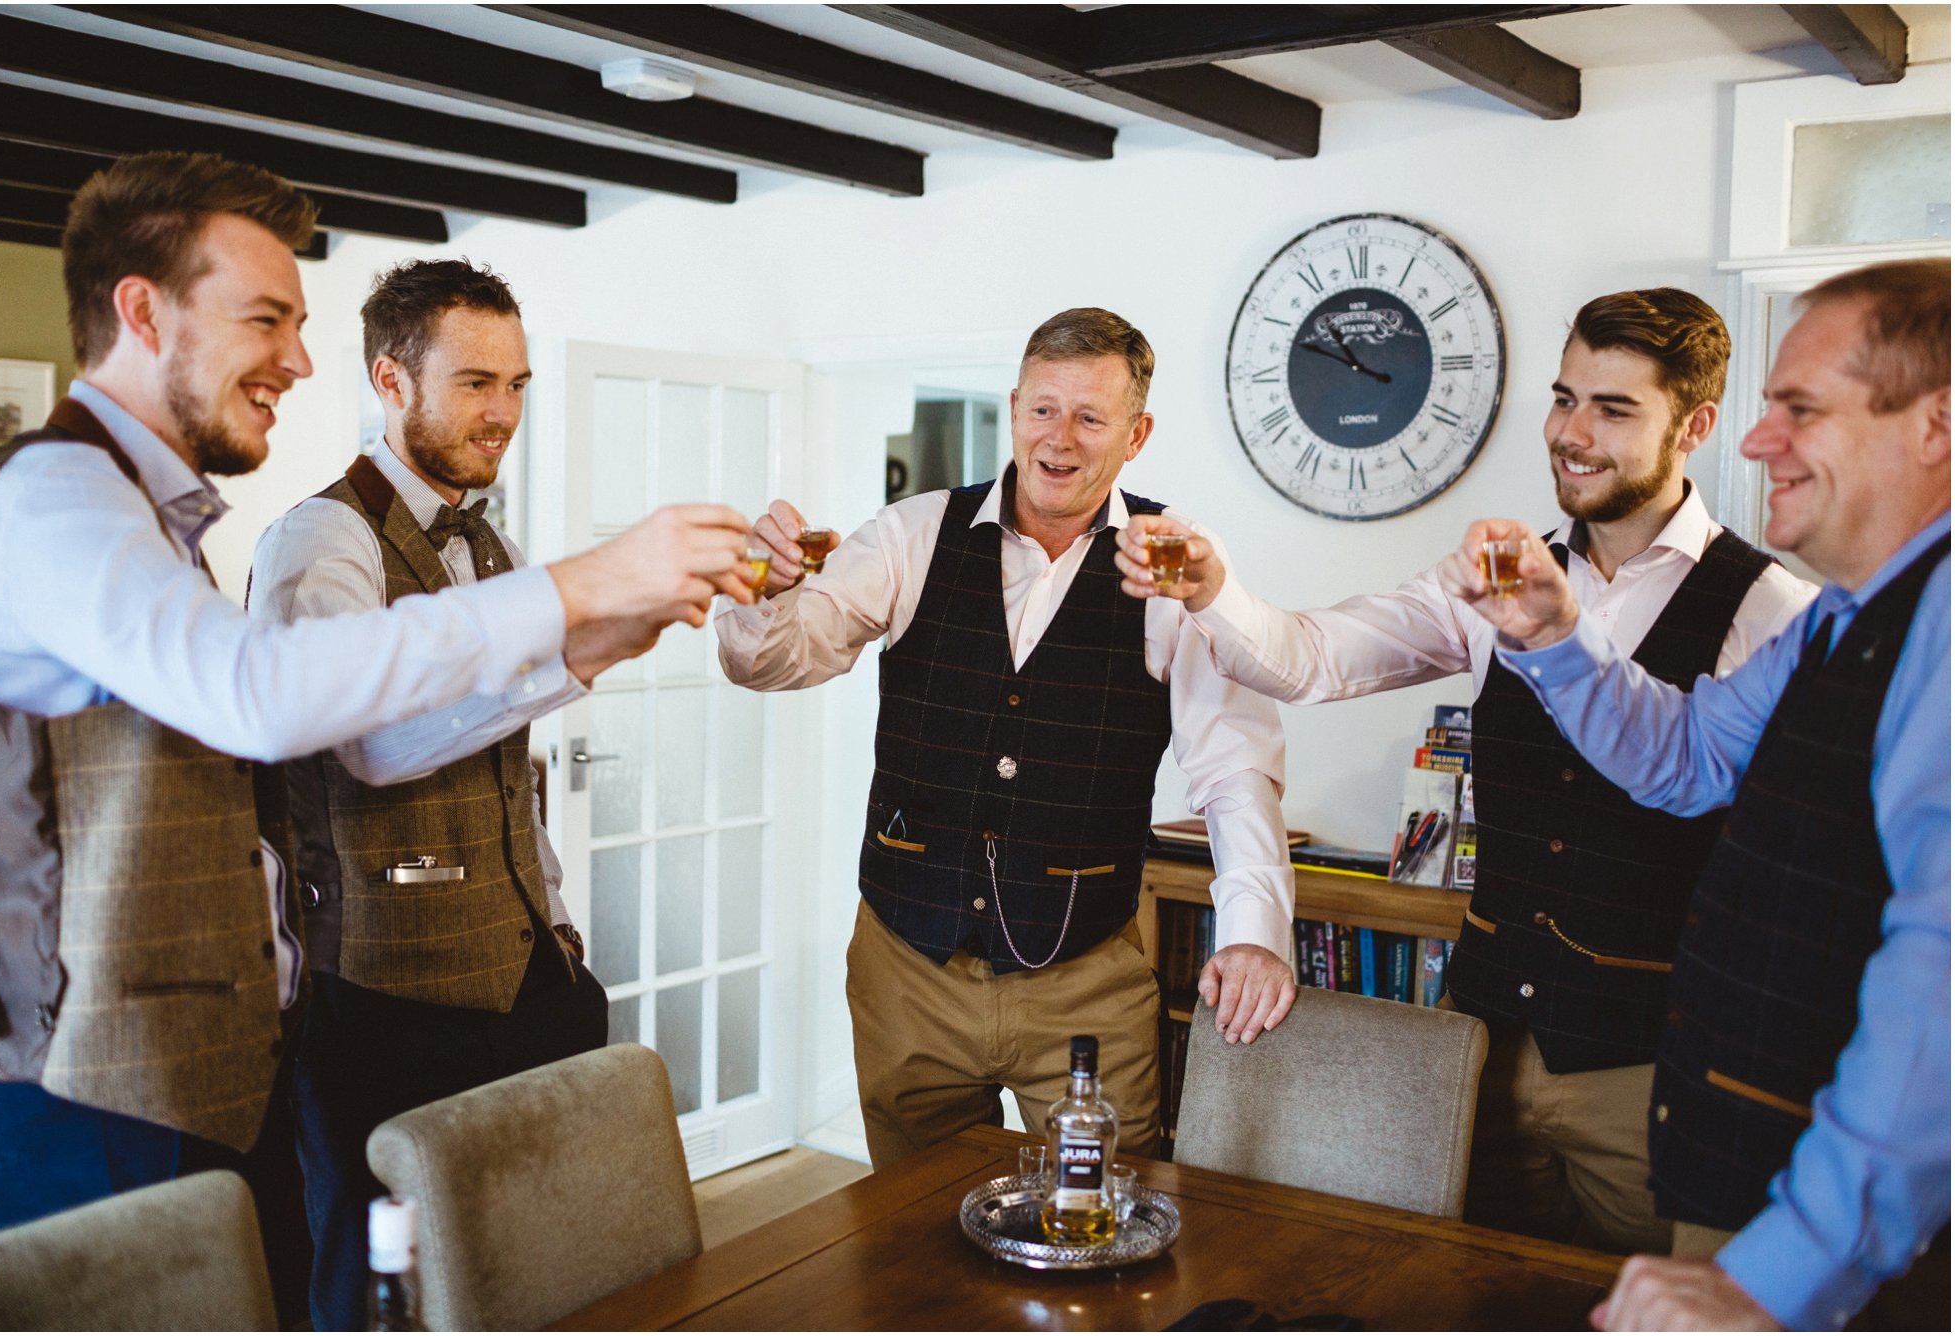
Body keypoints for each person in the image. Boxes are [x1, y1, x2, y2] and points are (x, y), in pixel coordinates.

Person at [0, 152, 753, 1308]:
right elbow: (268, 695)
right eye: (266, 317)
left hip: (206, 1070)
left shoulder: (142, 515)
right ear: (142, 309)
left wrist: (587, 636)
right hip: (84, 1094)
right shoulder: (56, 495)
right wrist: (580, 585)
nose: (294, 357)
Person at [1115, 289, 1816, 1254]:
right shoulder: (1487, 580)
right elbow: (1310, 658)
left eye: (1614, 410)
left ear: (1695, 425)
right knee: (1463, 1298)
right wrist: (1214, 590)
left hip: (1652, 1074)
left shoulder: (1772, 611)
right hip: (1477, 1048)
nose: (1572, 434)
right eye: (1565, 398)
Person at [1437, 258, 1949, 1330]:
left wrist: (1782, 1269)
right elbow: (1684, 757)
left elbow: (1937, 976)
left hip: (1819, 1220)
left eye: (1798, 410)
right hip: (1720, 1137)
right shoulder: (1842, 618)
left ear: (1935, 426)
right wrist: (1549, 632)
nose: (1758, 443)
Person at [716, 308, 1299, 1167]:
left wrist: (1254, 925)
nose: (1059, 439)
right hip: (907, 967)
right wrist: (763, 586)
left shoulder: (1176, 565)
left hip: (1086, 980)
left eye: (1091, 417)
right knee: (910, 1241)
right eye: (1042, 409)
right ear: (1014, 406)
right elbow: (773, 664)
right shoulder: (912, 534)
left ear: (1136, 435)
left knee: (1106, 1223)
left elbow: (1235, 768)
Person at [245, 260, 605, 1328]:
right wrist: (583, 646)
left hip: (530, 974)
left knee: (524, 1261)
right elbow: (368, 743)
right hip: (381, 997)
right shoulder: (321, 540)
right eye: (475, 383)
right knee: (377, 1280)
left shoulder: (487, 537)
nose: (502, 414)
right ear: (390, 381)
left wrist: (560, 923)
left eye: (517, 386)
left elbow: (508, 769)